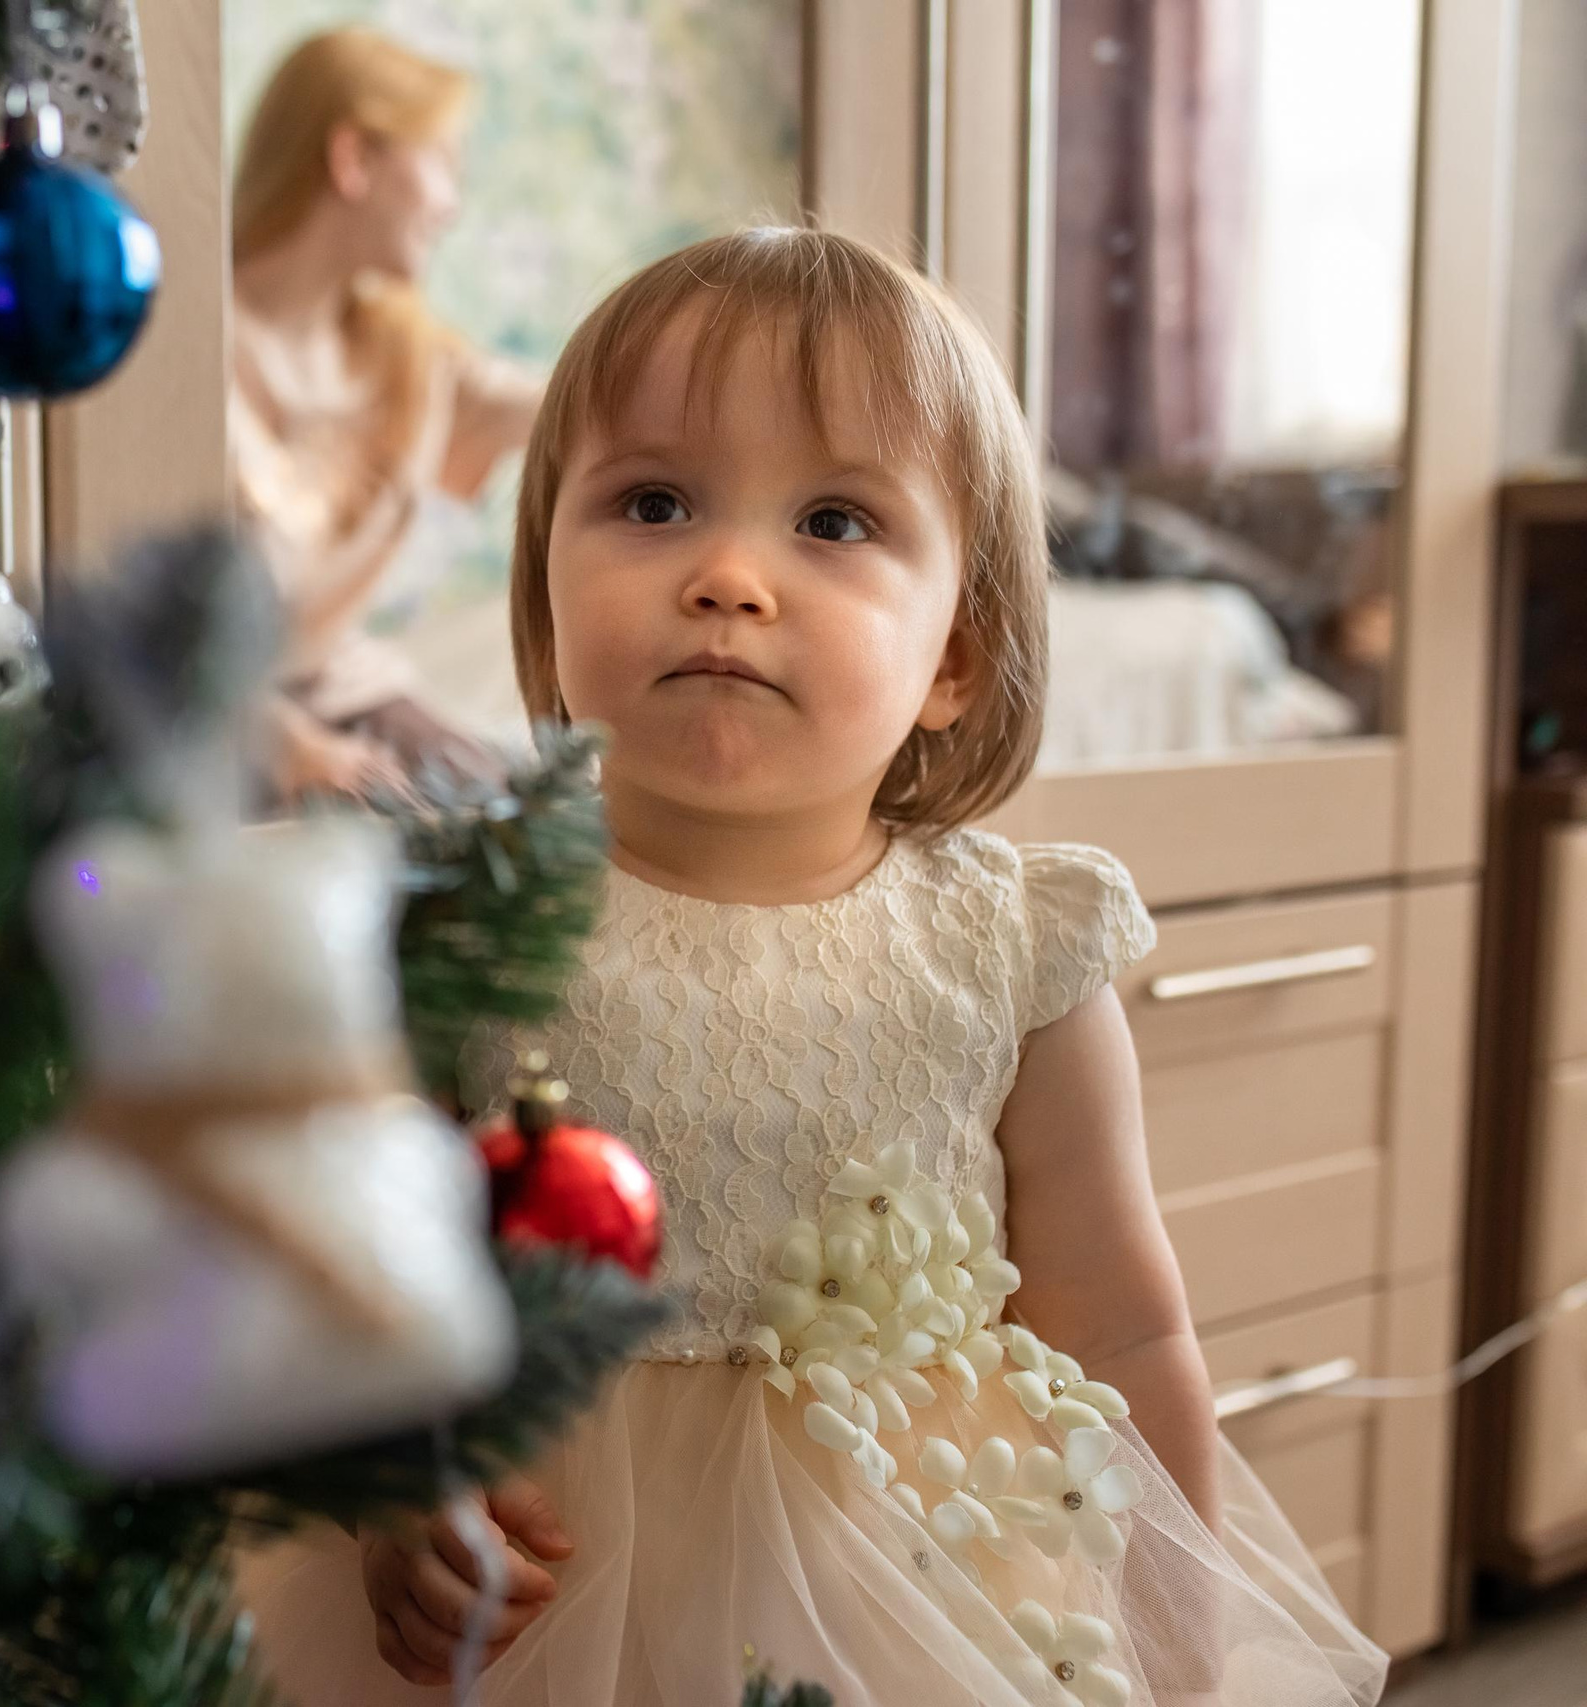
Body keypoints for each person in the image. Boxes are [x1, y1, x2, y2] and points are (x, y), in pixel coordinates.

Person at [235, 228, 1388, 1706]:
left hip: (917, 1596)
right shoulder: (462, 923)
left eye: (834, 522)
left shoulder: (1014, 947)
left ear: (955, 655)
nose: (727, 575)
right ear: (542, 593)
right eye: (654, 503)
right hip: (535, 1613)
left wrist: (1179, 1653)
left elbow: (1121, 1322)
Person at [229, 28, 540, 802]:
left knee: (518, 812)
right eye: (444, 166)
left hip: (340, 686)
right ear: (354, 159)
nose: (452, 206)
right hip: (200, 711)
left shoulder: (407, 354)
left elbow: (564, 398)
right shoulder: (182, 352)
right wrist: (292, 748)